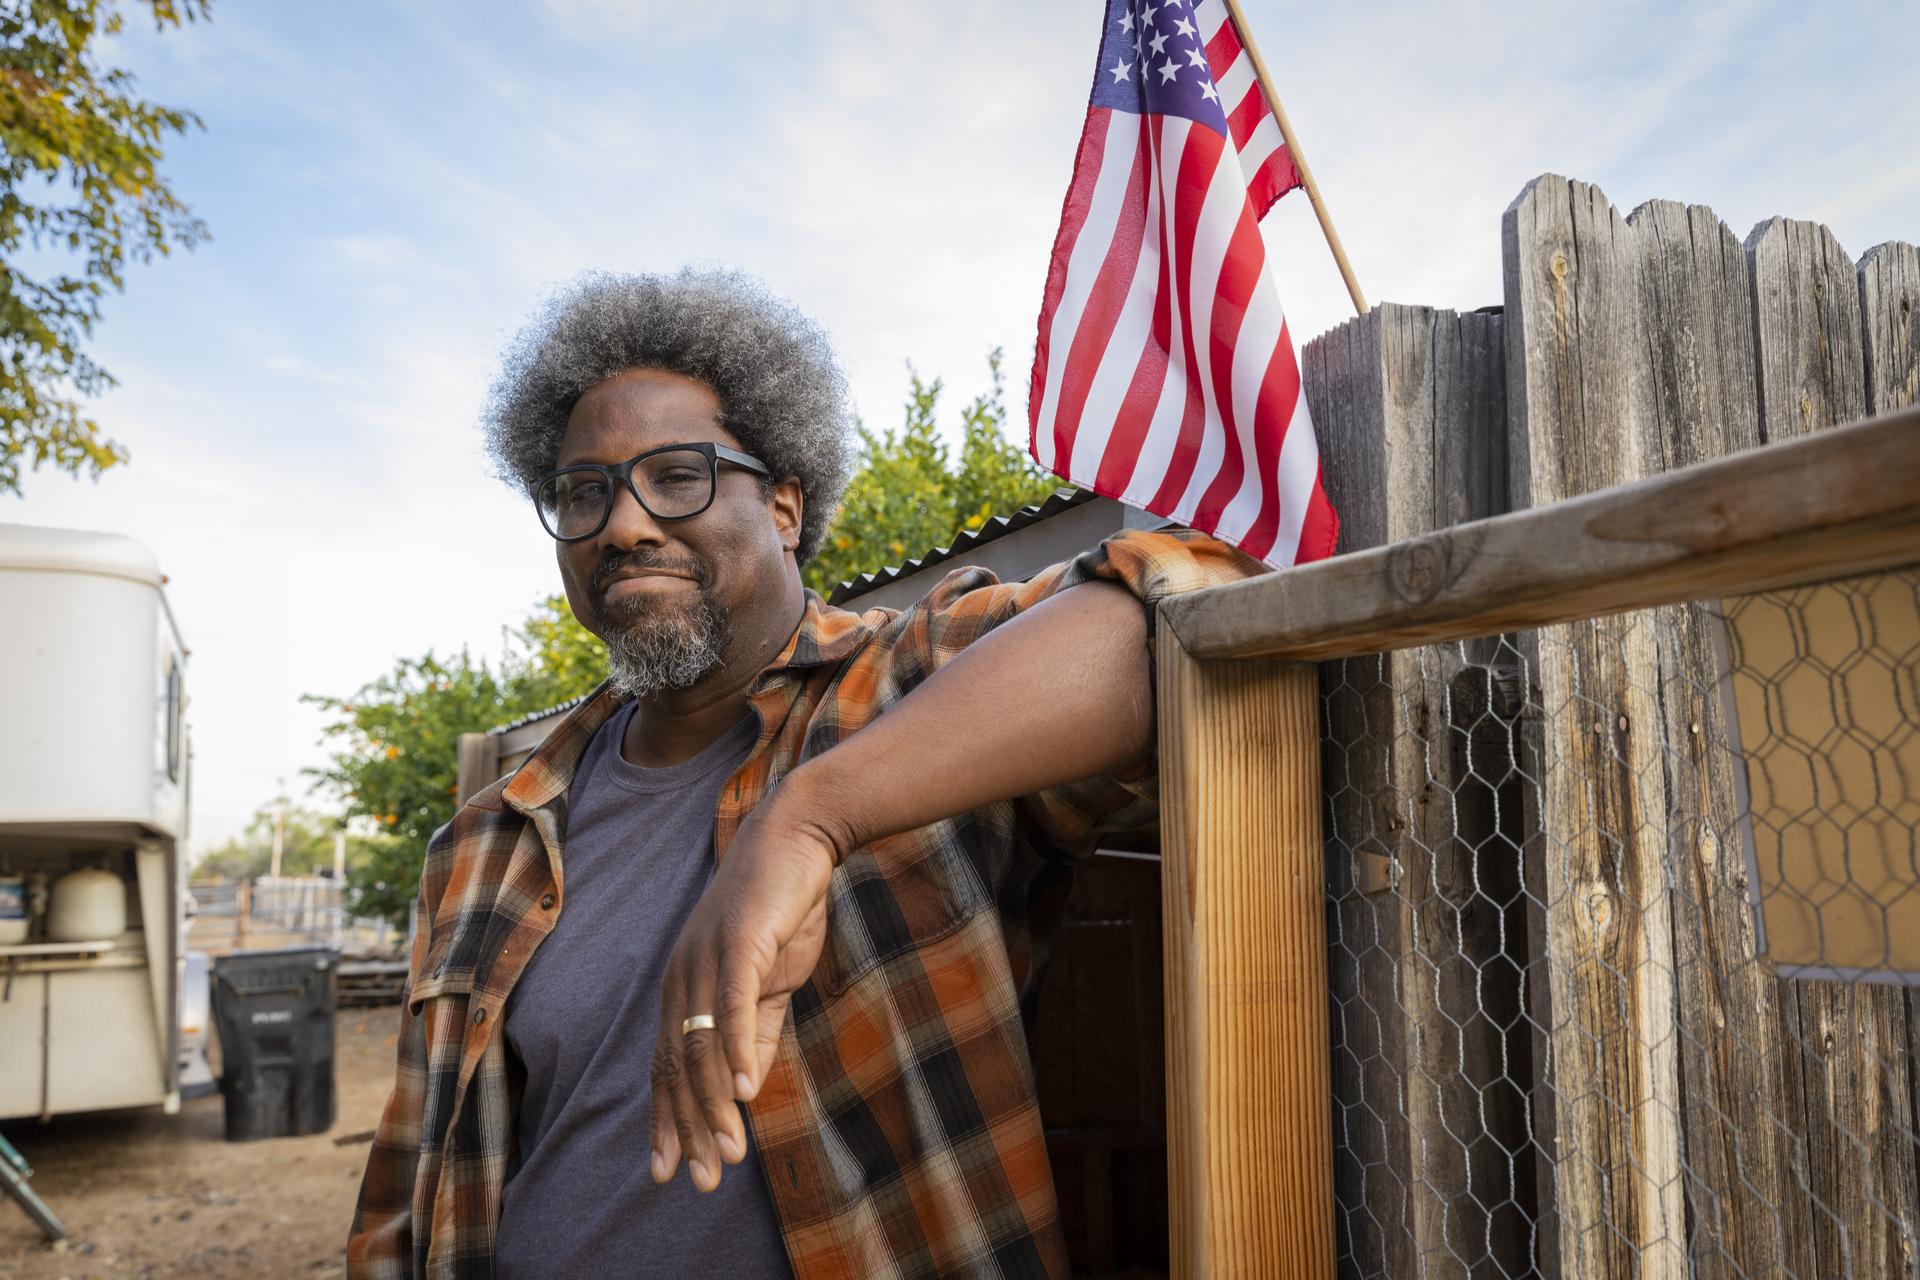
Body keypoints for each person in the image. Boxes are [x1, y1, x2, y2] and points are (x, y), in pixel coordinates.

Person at [347, 269, 1262, 1279]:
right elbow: (406, 1196)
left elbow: (1193, 591)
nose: (623, 524)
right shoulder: (486, 841)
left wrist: (809, 816)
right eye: (583, 492)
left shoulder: (910, 690)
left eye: (678, 474)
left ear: (783, 504)